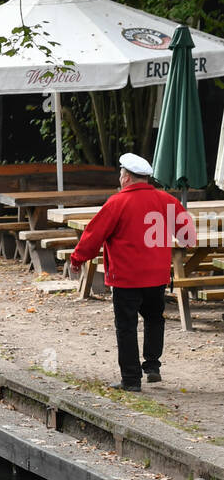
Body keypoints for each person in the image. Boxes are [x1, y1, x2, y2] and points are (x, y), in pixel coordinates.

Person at [70, 152, 196, 391]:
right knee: (154, 319)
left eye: (121, 174)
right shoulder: (167, 201)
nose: (120, 178)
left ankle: (131, 380)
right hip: (157, 276)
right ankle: (152, 366)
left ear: (126, 177)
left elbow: (92, 235)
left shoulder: (116, 203)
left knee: (126, 327)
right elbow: (188, 236)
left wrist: (77, 259)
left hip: (126, 277)